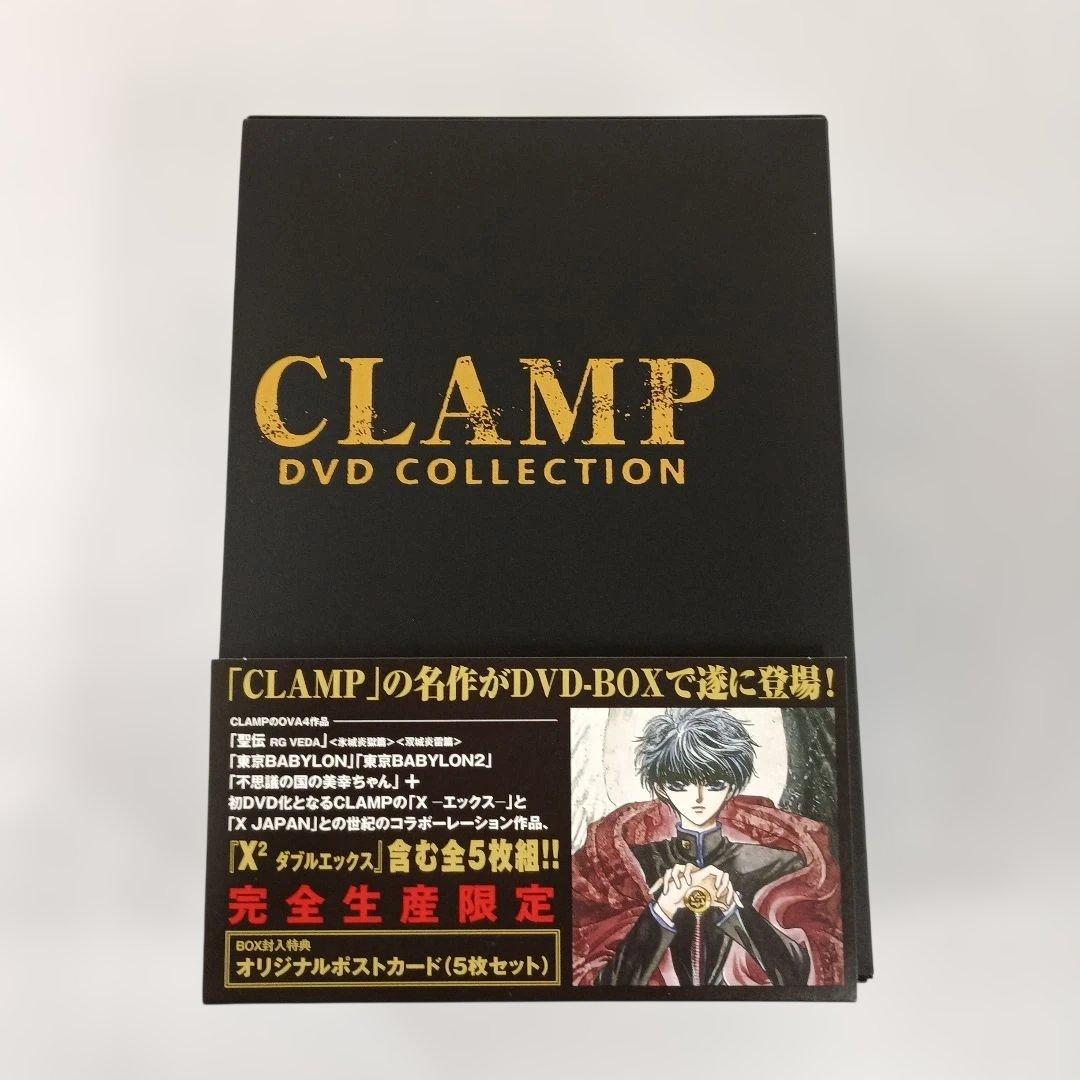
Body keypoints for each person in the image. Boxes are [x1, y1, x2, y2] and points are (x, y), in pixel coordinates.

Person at [572, 707, 842, 987]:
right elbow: (606, 985)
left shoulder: (774, 863)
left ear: (733, 786)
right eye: (680, 784)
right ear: (661, 787)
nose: (698, 798)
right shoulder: (631, 865)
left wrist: (733, 910)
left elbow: (801, 977)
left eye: (714, 783)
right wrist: (661, 911)